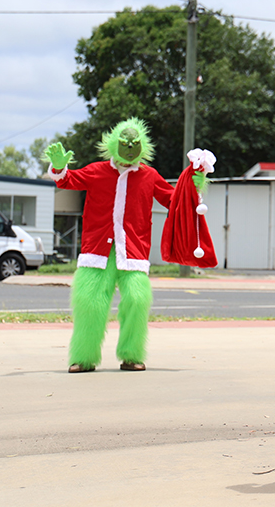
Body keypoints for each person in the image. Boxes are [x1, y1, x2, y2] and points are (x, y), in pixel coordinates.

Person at [45, 117, 175, 373]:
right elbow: (68, 181)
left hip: (133, 252)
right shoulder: (97, 171)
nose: (129, 151)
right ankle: (83, 358)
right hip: (97, 252)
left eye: (134, 145)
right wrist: (59, 168)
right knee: (89, 302)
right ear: (115, 144)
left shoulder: (150, 176)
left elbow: (174, 200)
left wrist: (194, 186)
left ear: (141, 146)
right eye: (125, 144)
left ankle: (131, 354)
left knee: (138, 300)